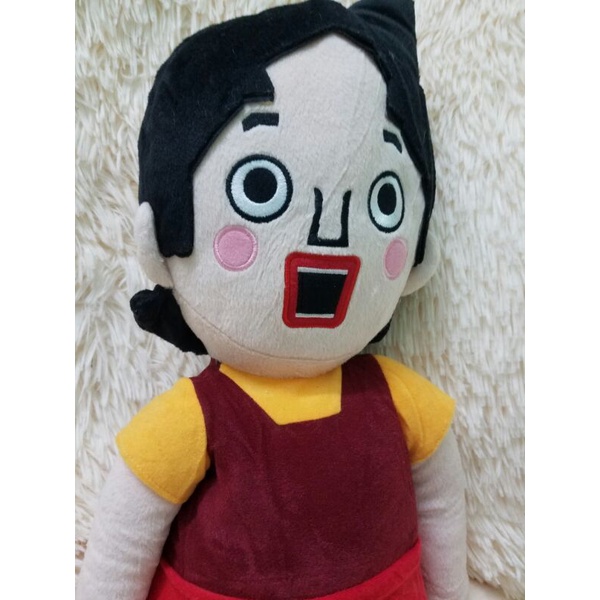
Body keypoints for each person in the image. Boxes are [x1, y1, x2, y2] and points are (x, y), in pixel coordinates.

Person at [77, 2, 469, 598]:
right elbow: (121, 546)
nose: (329, 240)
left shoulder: (398, 399)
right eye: (259, 187)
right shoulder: (196, 419)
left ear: (417, 255)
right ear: (162, 237)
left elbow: (441, 504)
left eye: (384, 200)